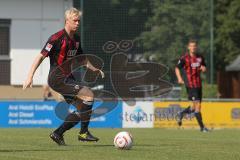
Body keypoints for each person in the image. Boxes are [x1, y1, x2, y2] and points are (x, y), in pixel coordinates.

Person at [23, 8, 105, 145]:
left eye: (79, 21)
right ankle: (83, 133)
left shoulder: (76, 39)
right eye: (75, 21)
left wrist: (94, 69)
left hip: (68, 78)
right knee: (88, 94)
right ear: (67, 21)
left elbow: (83, 59)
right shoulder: (56, 38)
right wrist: (29, 76)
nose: (78, 23)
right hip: (57, 78)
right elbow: (40, 56)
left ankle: (57, 133)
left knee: (83, 109)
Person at [175, 39, 209, 132]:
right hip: (190, 84)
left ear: (196, 47)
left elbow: (204, 67)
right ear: (188, 47)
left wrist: (204, 68)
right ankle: (202, 128)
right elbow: (177, 68)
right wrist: (179, 78)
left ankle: (181, 113)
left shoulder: (200, 57)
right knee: (198, 107)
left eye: (194, 46)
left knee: (194, 108)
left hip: (198, 84)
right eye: (191, 46)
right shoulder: (184, 58)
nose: (193, 47)